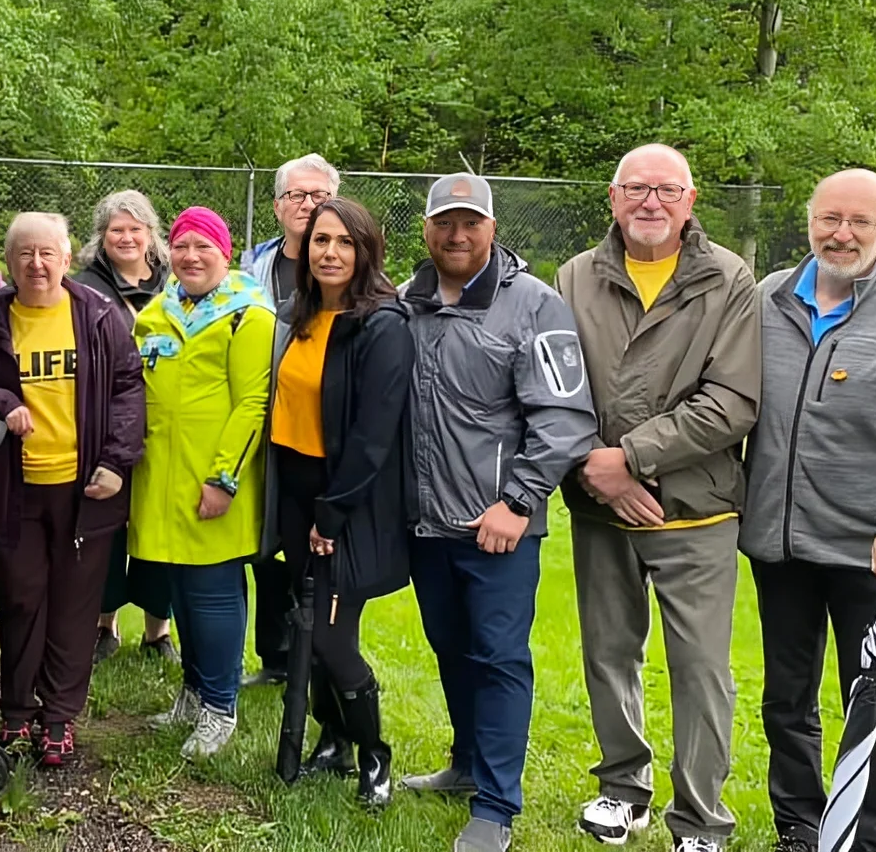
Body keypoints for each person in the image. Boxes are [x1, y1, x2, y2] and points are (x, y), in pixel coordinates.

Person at [555, 144, 758, 852]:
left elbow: (733, 399)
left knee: (700, 669)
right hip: (599, 511)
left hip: (697, 510)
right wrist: (594, 468)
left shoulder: (728, 279)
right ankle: (622, 789)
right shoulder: (574, 276)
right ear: (613, 198)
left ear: (690, 200)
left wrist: (632, 460)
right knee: (609, 654)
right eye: (637, 188)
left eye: (667, 190)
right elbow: (556, 387)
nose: (651, 201)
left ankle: (700, 820)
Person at [398, 173, 595, 852]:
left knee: (500, 658)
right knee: (451, 648)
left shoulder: (536, 305)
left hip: (499, 529)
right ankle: (465, 763)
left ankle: (496, 807)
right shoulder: (408, 301)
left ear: (491, 226)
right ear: (426, 228)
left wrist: (517, 502)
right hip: (427, 525)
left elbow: (566, 419)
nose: (457, 235)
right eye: (444, 222)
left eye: (470, 222)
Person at [739, 168, 876, 852]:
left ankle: (867, 840)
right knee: (786, 698)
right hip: (778, 544)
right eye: (829, 218)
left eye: (859, 222)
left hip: (873, 551)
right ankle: (800, 825)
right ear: (810, 221)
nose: (842, 234)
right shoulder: (767, 297)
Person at [0, 211, 144, 767]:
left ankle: (58, 719)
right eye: (25, 253)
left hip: (84, 491)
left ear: (67, 257)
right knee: (21, 599)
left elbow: (128, 389)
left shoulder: (97, 316)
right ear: (8, 261)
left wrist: (116, 461)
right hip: (14, 491)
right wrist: (0, 402)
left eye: (47, 252)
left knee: (74, 607)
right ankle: (17, 711)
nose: (36, 264)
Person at [264, 197, 414, 806]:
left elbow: (373, 435)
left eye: (344, 242)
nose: (330, 252)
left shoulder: (383, 326)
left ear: (366, 250)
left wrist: (332, 513)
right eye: (321, 240)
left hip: (344, 501)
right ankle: (334, 739)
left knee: (329, 637)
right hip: (294, 494)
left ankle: (375, 754)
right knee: (306, 628)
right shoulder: (298, 315)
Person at [131, 207, 275, 759]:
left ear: (225, 253)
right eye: (181, 246)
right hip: (160, 482)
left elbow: (253, 404)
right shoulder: (155, 315)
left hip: (214, 482)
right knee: (181, 595)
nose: (191, 257)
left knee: (213, 595)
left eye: (203, 247)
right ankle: (192, 693)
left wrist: (223, 479)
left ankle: (220, 706)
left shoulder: (248, 317)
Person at [239, 153, 341, 687]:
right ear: (278, 206)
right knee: (265, 545)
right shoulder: (252, 270)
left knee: (317, 554)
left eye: (319, 195)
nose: (307, 204)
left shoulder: (350, 268)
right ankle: (275, 657)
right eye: (296, 195)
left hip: (321, 437)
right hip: (262, 425)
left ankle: (324, 662)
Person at [72, 189, 177, 665]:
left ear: (151, 234)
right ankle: (104, 624)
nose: (127, 237)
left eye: (136, 228)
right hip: (106, 424)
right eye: (117, 229)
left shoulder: (176, 283)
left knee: (158, 525)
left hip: (166, 426)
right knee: (107, 527)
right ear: (102, 237)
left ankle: (158, 630)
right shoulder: (84, 288)